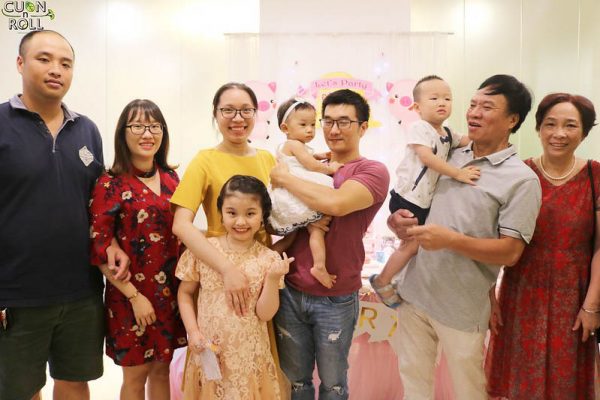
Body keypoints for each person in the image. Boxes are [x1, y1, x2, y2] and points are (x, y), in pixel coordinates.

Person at [388, 74, 542, 399]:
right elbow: (414, 198)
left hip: (462, 307)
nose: (474, 113)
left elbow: (511, 252)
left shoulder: (521, 180)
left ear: (512, 120)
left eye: (487, 107)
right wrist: (397, 221)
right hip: (414, 293)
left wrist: (451, 240)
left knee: (469, 391)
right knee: (413, 386)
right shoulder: (445, 153)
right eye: (472, 104)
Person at [0, 30, 129, 400]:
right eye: (44, 59)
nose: (56, 69)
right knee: (21, 390)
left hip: (81, 291)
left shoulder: (86, 130)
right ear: (20, 63)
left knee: (75, 383)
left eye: (65, 63)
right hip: (16, 294)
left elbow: (98, 205)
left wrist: (112, 241)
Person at [270, 89, 390, 399]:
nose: (334, 129)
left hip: (335, 294)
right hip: (289, 288)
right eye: (328, 121)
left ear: (363, 127)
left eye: (344, 122)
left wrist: (284, 179)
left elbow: (336, 204)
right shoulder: (306, 161)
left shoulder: (371, 170)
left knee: (333, 385)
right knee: (295, 382)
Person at [486, 93, 600, 399]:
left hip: (574, 296)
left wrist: (592, 306)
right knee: (520, 379)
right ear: (538, 128)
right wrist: (489, 298)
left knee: (566, 384)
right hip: (520, 292)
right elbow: (492, 238)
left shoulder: (596, 175)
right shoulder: (518, 174)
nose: (559, 133)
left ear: (584, 132)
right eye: (550, 124)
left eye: (570, 125)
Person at [89, 99, 187, 399]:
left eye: (154, 126)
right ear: (123, 132)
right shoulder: (110, 182)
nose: (147, 134)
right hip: (129, 297)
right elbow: (99, 247)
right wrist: (134, 297)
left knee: (161, 371)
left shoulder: (171, 177)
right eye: (138, 126)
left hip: (169, 294)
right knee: (135, 376)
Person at [176, 175, 292, 399]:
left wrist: (272, 279)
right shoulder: (203, 250)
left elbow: (265, 314)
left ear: (262, 216)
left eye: (250, 213)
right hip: (209, 351)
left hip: (249, 358)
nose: (240, 222)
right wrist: (193, 332)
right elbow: (185, 293)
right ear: (221, 213)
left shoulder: (268, 258)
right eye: (232, 213)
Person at [369, 75, 479, 307]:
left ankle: (394, 279)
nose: (442, 103)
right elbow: (427, 158)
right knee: (411, 246)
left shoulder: (447, 132)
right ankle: (382, 281)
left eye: (447, 98)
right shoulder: (419, 128)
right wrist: (458, 173)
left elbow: (468, 140)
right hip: (408, 198)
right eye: (434, 98)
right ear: (417, 107)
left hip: (422, 200)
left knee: (415, 246)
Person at [171, 82, 276, 315]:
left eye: (246, 110)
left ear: (255, 114)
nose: (238, 118)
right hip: (217, 269)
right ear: (216, 114)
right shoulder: (204, 160)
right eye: (228, 110)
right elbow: (181, 224)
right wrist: (227, 268)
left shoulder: (268, 159)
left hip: (261, 273)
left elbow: (279, 219)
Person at [269, 97, 342, 289]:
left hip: (287, 195)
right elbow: (310, 165)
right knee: (316, 230)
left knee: (290, 238)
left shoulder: (287, 146)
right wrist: (330, 168)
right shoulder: (295, 145)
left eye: (312, 124)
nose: (310, 129)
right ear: (285, 128)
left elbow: (304, 158)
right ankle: (319, 266)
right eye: (303, 125)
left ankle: (266, 258)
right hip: (297, 194)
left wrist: (318, 155)